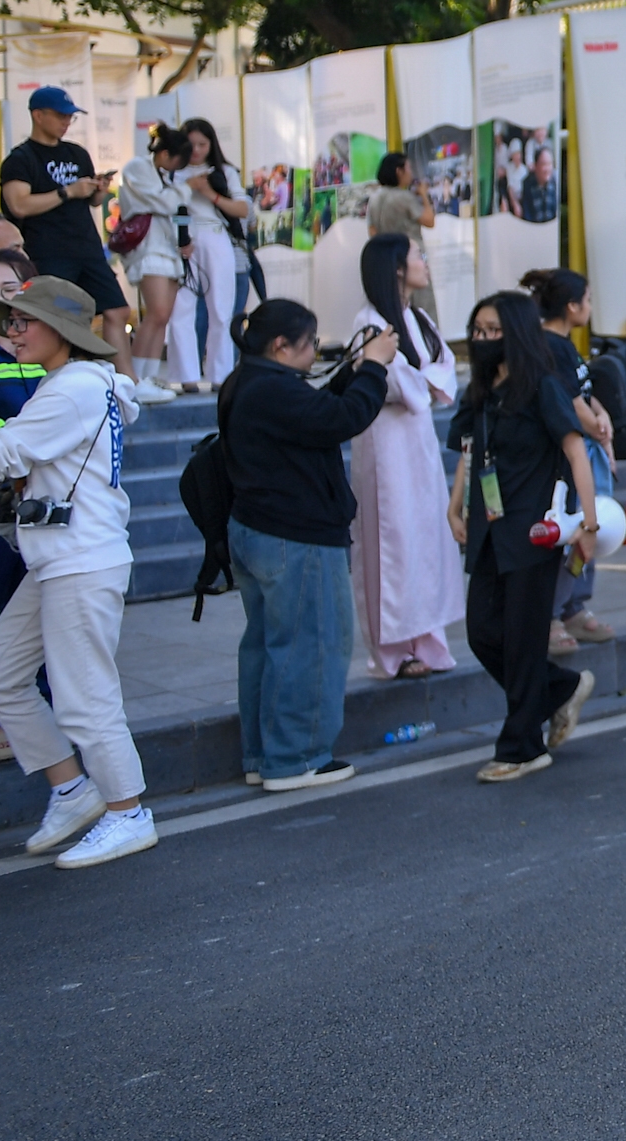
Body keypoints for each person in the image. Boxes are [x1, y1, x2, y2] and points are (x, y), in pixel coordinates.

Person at [0, 274, 155, 866]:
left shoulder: (72, 387)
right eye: (10, 321)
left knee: (86, 700)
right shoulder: (76, 384)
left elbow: (4, 451)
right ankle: (73, 791)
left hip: (79, 562)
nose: (13, 331)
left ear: (63, 330)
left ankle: (128, 813)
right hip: (62, 559)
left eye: (24, 321)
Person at [220, 299, 397, 789]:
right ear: (282, 346)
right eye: (311, 343)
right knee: (312, 646)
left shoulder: (249, 381)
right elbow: (342, 418)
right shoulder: (272, 390)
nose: (316, 351)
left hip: (258, 530)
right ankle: (297, 758)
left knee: (267, 646)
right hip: (295, 536)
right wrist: (375, 368)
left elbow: (315, 414)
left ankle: (263, 756)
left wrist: (355, 370)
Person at [446, 291, 597, 782]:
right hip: (489, 528)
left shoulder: (542, 387)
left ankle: (521, 747)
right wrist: (455, 503)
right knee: (482, 631)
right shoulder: (481, 389)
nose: (484, 339)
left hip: (534, 531)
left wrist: (588, 524)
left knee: (522, 641)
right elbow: (469, 449)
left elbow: (576, 452)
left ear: (516, 333)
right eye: (478, 330)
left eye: (494, 330)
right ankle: (559, 690)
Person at [351, 236, 462, 681]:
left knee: (425, 537)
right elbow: (396, 384)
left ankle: (428, 640)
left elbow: (444, 368)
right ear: (397, 267)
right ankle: (392, 651)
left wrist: (423, 379)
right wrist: (424, 381)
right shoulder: (369, 322)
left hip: (418, 439)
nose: (426, 263)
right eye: (420, 255)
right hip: (384, 443)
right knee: (391, 541)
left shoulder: (418, 318)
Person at [2, 87, 146, 394]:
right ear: (38, 115)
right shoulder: (21, 159)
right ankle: (56, 384)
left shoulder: (77, 154)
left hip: (87, 247)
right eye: (60, 115)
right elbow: (18, 204)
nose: (66, 122)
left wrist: (97, 190)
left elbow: (90, 201)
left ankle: (129, 383)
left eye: (70, 116)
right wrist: (68, 191)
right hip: (48, 251)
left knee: (117, 310)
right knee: (56, 318)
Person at [523, 269, 618, 650]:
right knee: (572, 531)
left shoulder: (564, 344)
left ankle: (572, 606)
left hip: (587, 445)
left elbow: (584, 394)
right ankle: (553, 612)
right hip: (572, 453)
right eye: (588, 300)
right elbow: (570, 403)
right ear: (571, 306)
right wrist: (598, 429)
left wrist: (601, 415)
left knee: (588, 529)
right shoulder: (550, 346)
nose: (590, 308)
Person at [0, 247, 41, 767]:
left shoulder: (46, 346)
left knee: (41, 609)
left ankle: (43, 709)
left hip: (42, 500)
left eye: (7, 290)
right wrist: (30, 448)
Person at [118, 123, 197, 404]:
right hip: (149, 249)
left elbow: (174, 209)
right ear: (165, 154)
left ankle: (149, 378)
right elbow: (162, 203)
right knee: (156, 313)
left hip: (169, 249)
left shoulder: (162, 174)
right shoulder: (138, 168)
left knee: (163, 317)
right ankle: (134, 380)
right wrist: (186, 190)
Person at [171, 118, 251, 391]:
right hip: (183, 239)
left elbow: (243, 209)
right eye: (191, 144)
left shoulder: (224, 171)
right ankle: (187, 376)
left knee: (221, 308)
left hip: (216, 235)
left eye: (202, 144)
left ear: (211, 144)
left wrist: (209, 193)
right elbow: (170, 207)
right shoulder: (173, 172)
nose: (196, 150)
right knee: (181, 309)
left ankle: (220, 374)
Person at [367, 153, 439, 322]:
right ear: (399, 171)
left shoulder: (374, 198)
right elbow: (429, 221)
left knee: (396, 307)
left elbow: (372, 231)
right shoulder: (404, 197)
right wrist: (424, 195)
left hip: (388, 261)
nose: (411, 172)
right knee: (422, 306)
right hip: (412, 257)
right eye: (408, 168)